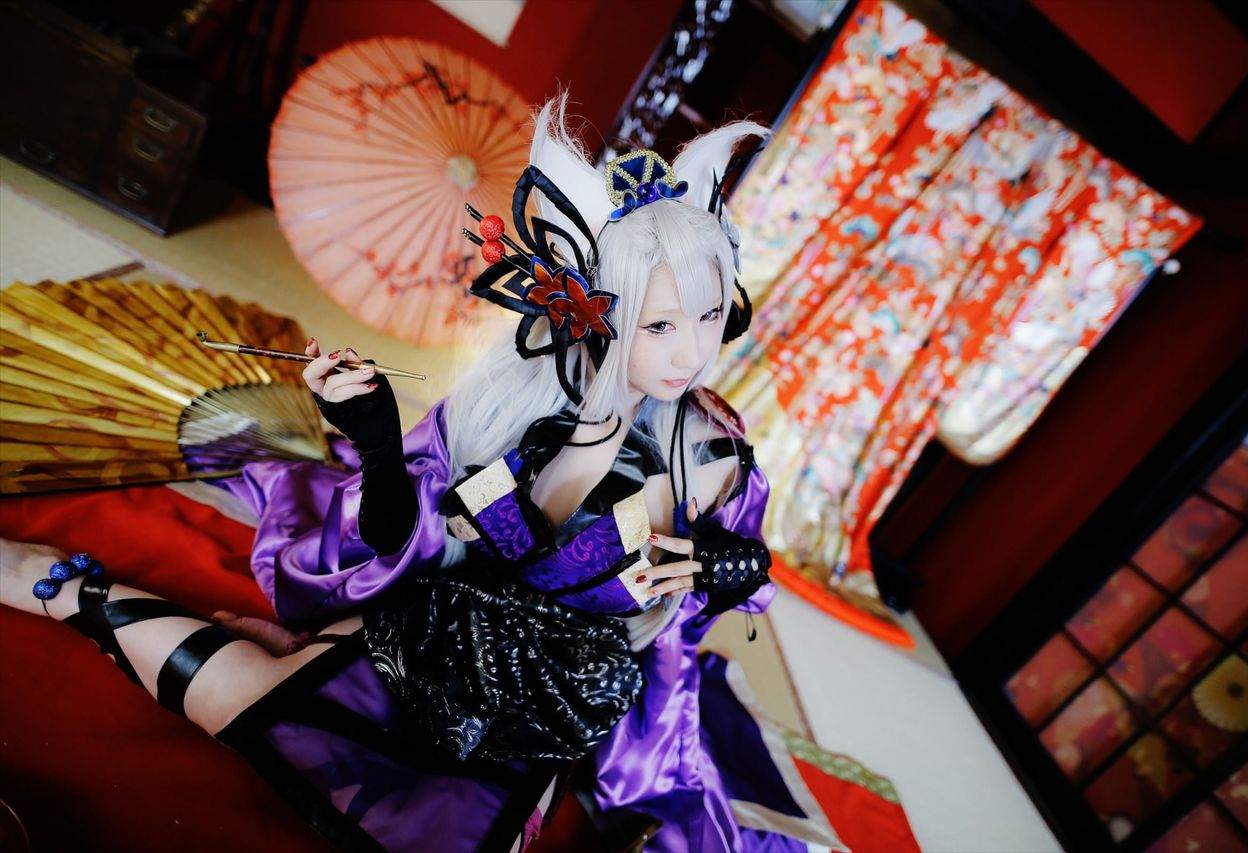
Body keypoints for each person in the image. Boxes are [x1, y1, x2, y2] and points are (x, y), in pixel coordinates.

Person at [0, 95, 774, 851]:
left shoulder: (715, 456)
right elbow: (410, 538)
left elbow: (722, 596)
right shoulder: (513, 415)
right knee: (239, 702)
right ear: (595, 313)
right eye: (660, 324)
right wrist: (375, 439)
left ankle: (293, 648)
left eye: (710, 315)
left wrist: (726, 564)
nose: (692, 352)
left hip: (551, 708)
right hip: (429, 636)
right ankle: (64, 585)